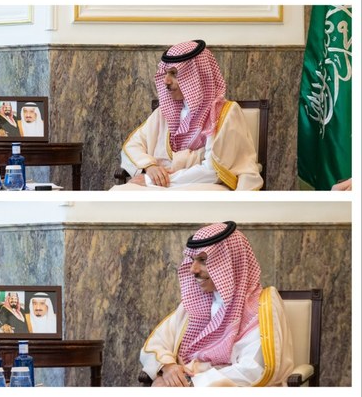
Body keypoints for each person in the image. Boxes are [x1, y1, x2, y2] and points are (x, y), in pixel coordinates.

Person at [140, 221, 294, 386]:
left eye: (203, 260)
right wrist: (168, 367)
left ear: (230, 263)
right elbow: (156, 343)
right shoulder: (194, 304)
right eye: (193, 259)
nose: (193, 269)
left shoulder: (260, 308)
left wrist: (190, 383)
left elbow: (253, 370)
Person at [115, 40, 263, 191]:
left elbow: (213, 171)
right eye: (166, 73)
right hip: (160, 184)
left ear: (196, 76)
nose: (166, 81)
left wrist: (153, 180)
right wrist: (150, 166)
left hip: (202, 185)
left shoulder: (223, 113)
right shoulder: (164, 111)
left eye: (174, 74)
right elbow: (132, 146)